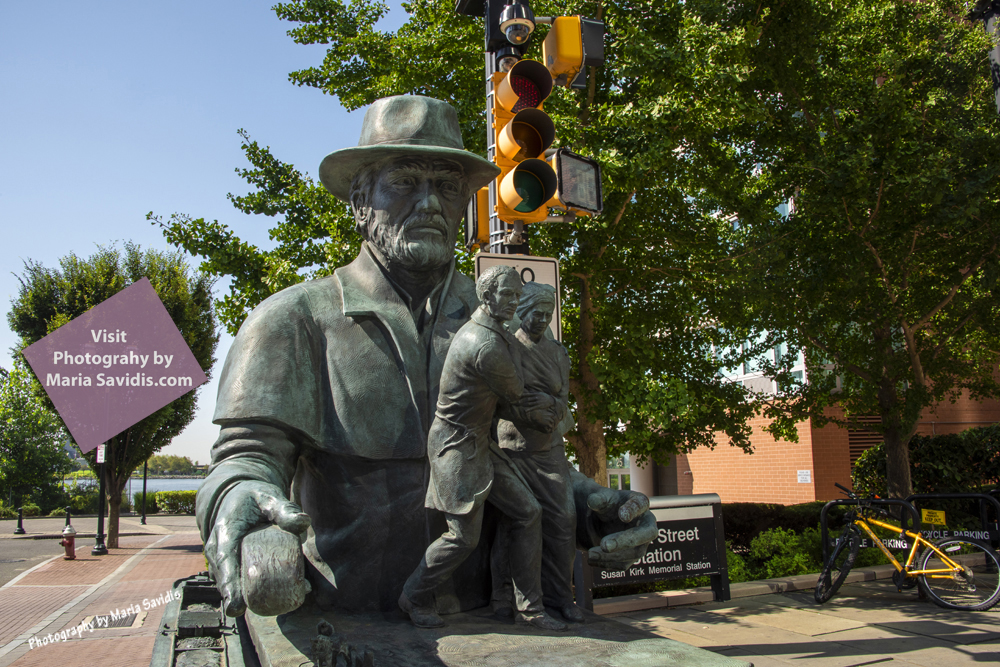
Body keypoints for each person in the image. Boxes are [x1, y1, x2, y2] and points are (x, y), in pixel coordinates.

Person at [195, 94, 658, 619]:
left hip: (490, 629)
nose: (430, 203)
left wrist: (591, 509)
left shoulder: (508, 330)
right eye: (404, 182)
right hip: (344, 625)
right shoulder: (290, 321)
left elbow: (523, 454)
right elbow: (245, 459)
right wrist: (242, 497)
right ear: (359, 202)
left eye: (447, 186)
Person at [400, 266, 566, 631]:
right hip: (457, 447)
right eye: (507, 294)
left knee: (527, 512)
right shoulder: (485, 343)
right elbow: (516, 400)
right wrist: (547, 410)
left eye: (517, 295)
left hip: (480, 442)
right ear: (486, 297)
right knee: (462, 538)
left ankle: (529, 609)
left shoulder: (496, 333)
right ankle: (414, 595)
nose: (514, 301)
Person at [490, 281, 583, 624]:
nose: (543, 319)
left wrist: (550, 404)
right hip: (512, 450)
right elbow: (494, 397)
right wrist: (527, 409)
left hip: (549, 448)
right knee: (514, 525)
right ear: (522, 311)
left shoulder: (558, 352)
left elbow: (563, 399)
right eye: (536, 313)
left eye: (548, 313)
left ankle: (562, 598)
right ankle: (508, 599)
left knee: (564, 520)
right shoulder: (507, 347)